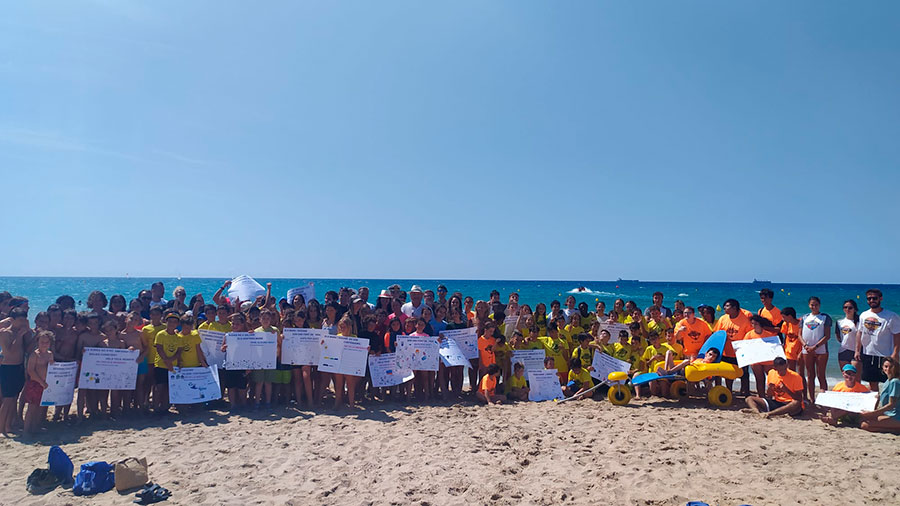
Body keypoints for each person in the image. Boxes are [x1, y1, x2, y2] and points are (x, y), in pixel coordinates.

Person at [855, 288, 900, 391]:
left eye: (874, 298)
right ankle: (875, 406)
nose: (872, 300)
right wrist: (857, 350)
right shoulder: (863, 315)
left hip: (886, 355)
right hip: (868, 354)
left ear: (881, 298)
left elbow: (897, 335)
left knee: (890, 382)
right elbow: (859, 333)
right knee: (872, 383)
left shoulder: (891, 316)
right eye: (869, 298)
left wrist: (895, 353)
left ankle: (890, 405)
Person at [713, 299, 754, 395]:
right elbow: (717, 334)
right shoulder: (723, 318)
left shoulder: (746, 316)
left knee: (743, 374)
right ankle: (729, 391)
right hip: (726, 351)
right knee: (728, 373)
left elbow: (751, 334)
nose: (724, 308)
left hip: (741, 351)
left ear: (735, 308)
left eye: (727, 306)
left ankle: (745, 392)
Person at [23, 330, 55, 434]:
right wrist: (41, 382)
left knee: (40, 408)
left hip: (45, 384)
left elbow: (51, 369)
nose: (44, 344)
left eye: (47, 342)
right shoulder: (34, 355)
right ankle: (26, 430)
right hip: (35, 384)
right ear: (38, 342)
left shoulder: (50, 354)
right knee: (32, 408)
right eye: (42, 342)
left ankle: (35, 429)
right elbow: (30, 371)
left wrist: (52, 364)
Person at [800, 296, 831, 400]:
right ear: (809, 305)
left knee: (821, 375)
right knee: (810, 375)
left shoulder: (825, 317)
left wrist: (815, 346)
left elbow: (827, 336)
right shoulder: (804, 317)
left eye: (816, 305)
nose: (814, 307)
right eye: (812, 305)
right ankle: (812, 399)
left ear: (819, 305)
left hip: (821, 350)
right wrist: (805, 345)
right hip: (807, 349)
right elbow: (799, 334)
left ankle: (824, 400)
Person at [859, 357, 900, 433]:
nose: (888, 369)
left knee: (865, 425)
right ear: (882, 367)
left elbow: (891, 405)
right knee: (863, 420)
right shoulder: (888, 381)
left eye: (891, 367)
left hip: (896, 416)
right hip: (888, 413)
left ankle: (896, 430)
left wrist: (872, 413)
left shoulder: (895, 382)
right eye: (886, 367)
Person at [153, 311, 182, 415]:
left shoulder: (178, 337)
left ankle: (165, 408)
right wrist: (167, 361)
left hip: (173, 367)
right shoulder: (161, 334)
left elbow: (179, 351)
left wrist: (173, 361)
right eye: (170, 321)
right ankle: (156, 408)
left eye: (175, 322)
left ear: (177, 324)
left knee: (168, 388)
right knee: (159, 388)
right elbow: (159, 349)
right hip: (161, 365)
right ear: (166, 322)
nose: (172, 323)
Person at [836, 300, 860, 369]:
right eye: (845, 307)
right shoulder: (839, 322)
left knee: (856, 378)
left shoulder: (859, 322)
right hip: (843, 351)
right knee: (846, 376)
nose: (847, 309)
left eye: (850, 307)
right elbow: (838, 336)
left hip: (856, 352)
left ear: (855, 309)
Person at [781, 307, 803, 373]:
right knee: (791, 372)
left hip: (799, 351)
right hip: (789, 351)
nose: (783, 319)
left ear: (790, 316)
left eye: (784, 317)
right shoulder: (786, 324)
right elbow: (785, 336)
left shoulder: (801, 324)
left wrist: (802, 352)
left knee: (800, 373)